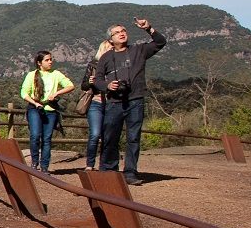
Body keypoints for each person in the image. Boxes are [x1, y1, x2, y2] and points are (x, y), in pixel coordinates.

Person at [96, 17, 167, 185]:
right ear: (110, 39)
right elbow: (97, 79)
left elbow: (160, 42)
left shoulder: (138, 50)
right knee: (110, 137)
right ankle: (108, 170)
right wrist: (108, 85)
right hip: (114, 102)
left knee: (133, 137)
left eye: (123, 31)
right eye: (117, 33)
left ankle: (130, 172)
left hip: (135, 100)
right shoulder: (105, 57)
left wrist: (148, 28)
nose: (121, 34)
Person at [19, 51, 74, 173]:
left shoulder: (56, 74)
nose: (50, 62)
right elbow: (24, 92)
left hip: (51, 110)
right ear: (39, 63)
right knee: (35, 135)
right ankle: (34, 163)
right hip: (35, 108)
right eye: (47, 60)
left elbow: (70, 85)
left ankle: (44, 167)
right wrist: (35, 103)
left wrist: (57, 93)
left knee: (47, 139)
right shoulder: (31, 75)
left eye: (51, 59)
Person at [79, 38, 109, 170]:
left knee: (108, 136)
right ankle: (90, 164)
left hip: (111, 104)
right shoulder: (93, 65)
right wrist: (90, 82)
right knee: (95, 134)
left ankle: (104, 164)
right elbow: (83, 86)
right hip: (95, 103)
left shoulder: (117, 66)